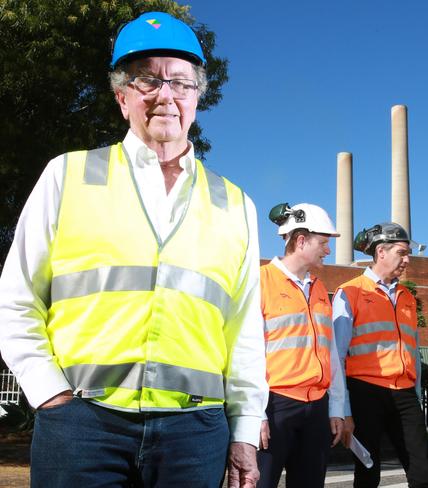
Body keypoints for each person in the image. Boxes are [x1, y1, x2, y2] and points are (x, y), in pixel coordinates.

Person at [0, 11, 267, 488]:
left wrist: (245, 430)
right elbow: (17, 297)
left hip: (196, 431)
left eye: (181, 83)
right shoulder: (67, 176)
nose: (166, 95)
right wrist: (49, 394)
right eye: (148, 80)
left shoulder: (236, 203)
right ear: (122, 97)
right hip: (82, 425)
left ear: (197, 98)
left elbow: (244, 329)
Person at [333, 222, 428, 488]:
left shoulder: (407, 297)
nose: (407, 259)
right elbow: (337, 354)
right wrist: (343, 410)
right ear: (381, 252)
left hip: (404, 393)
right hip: (365, 391)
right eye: (402, 253)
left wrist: (417, 394)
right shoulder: (351, 291)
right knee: (368, 470)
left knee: (422, 471)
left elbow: (413, 349)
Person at [258, 203, 345, 488]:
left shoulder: (319, 287)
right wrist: (254, 413)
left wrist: (336, 408)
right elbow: (247, 354)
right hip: (274, 407)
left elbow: (330, 353)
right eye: (323, 243)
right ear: (301, 241)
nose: (328, 250)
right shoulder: (262, 282)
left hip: (316, 408)